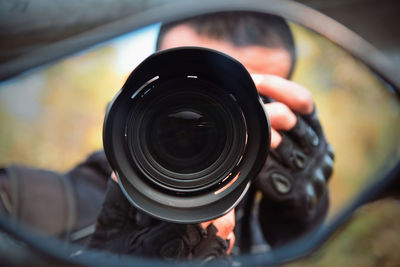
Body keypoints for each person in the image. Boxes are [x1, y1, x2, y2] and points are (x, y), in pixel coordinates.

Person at [0, 11, 334, 264]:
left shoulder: (271, 229)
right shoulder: (18, 204)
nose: (211, 123)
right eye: (187, 90)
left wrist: (305, 233)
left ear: (282, 116)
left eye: (250, 100)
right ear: (141, 86)